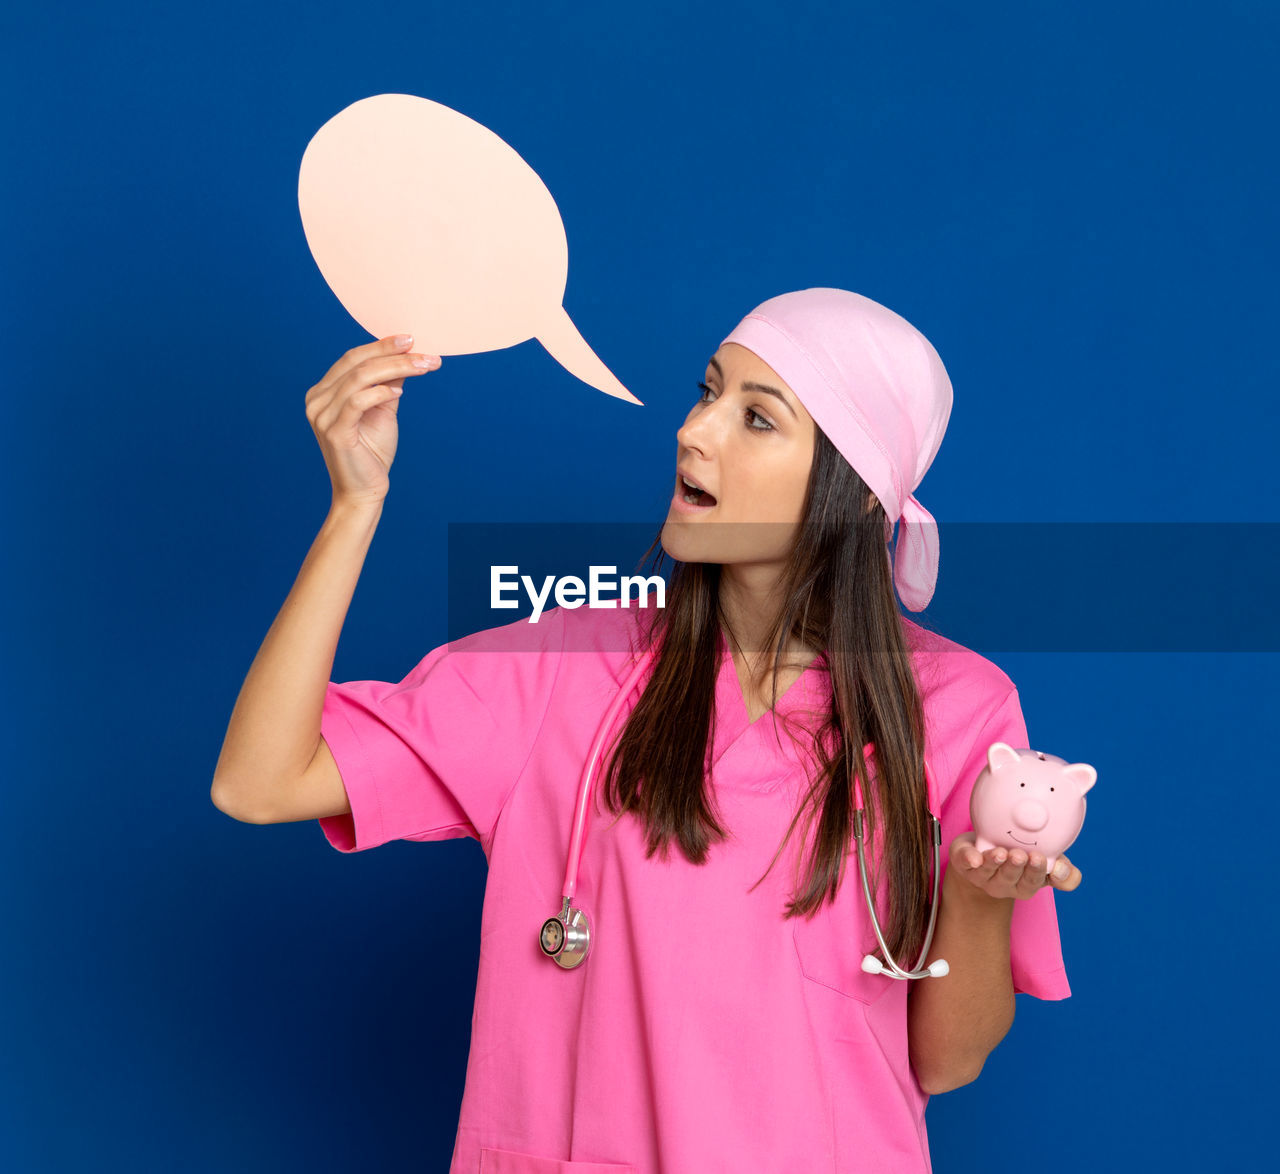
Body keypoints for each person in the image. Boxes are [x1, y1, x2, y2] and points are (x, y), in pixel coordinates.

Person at [212, 288, 1081, 1174]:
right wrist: (353, 508)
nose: (695, 432)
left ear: (856, 494)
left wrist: (980, 900)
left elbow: (948, 1059)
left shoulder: (957, 705)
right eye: (707, 392)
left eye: (756, 418)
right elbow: (259, 780)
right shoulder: (563, 663)